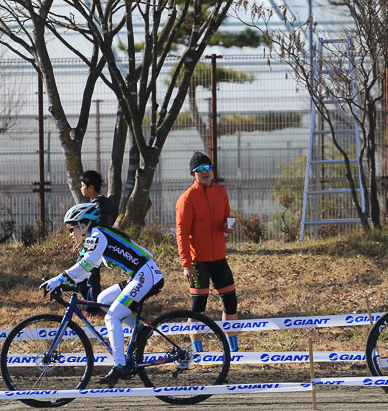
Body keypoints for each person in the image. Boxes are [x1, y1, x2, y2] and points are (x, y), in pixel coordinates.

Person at [40, 202, 164, 388]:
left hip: (145, 276)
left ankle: (120, 364)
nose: (70, 234)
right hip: (140, 275)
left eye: (71, 229)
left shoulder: (98, 235)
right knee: (103, 300)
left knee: (113, 315)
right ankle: (140, 329)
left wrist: (59, 279)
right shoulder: (95, 237)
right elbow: (86, 269)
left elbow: (87, 265)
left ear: (83, 225)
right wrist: (63, 282)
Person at [175, 151, 240, 353]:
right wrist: (186, 265)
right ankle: (198, 350)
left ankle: (233, 348)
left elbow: (225, 219)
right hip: (198, 262)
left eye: (207, 168)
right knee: (198, 307)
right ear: (193, 175)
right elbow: (182, 234)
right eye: (199, 170)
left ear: (212, 171)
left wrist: (228, 227)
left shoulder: (221, 192)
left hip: (219, 258)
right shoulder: (186, 199)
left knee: (230, 302)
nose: (205, 173)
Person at [78, 170, 116, 306]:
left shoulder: (99, 206)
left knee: (91, 278)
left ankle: (94, 307)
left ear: (91, 187)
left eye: (82, 185)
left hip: (94, 248)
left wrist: (88, 241)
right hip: (88, 246)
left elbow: (100, 227)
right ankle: (91, 304)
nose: (81, 188)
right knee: (81, 277)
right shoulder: (94, 205)